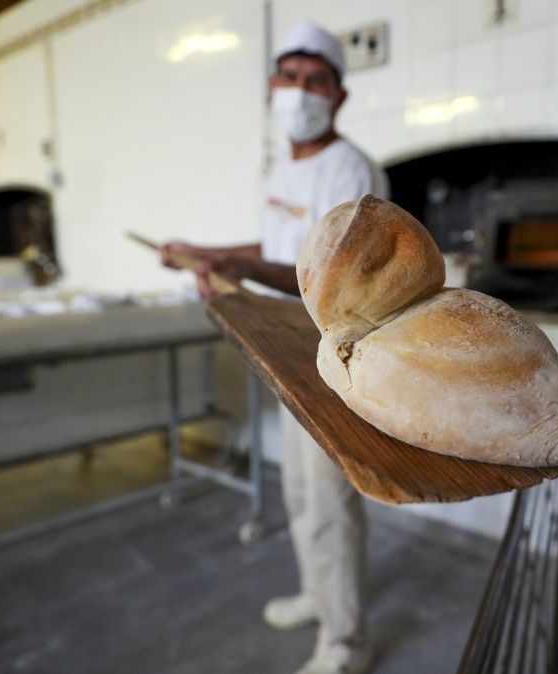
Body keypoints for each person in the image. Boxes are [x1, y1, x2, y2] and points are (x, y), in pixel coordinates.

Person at [160, 21, 387, 674]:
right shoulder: (284, 166)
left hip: (332, 355)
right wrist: (207, 255)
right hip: (287, 348)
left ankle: (345, 644)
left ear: (338, 97)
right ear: (271, 87)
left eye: (316, 80)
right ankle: (320, 597)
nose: (300, 90)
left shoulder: (350, 169)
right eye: (289, 77)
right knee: (297, 493)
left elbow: (334, 275)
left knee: (329, 502)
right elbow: (278, 250)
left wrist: (235, 262)